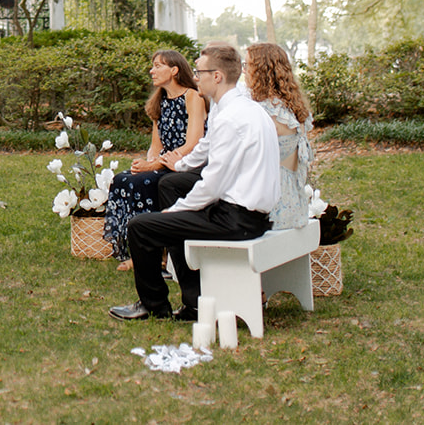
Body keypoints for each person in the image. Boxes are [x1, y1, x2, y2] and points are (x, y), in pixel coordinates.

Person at [109, 42, 279, 321]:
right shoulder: (238, 108)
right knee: (171, 184)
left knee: (141, 227)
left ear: (217, 77)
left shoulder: (231, 118)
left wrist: (173, 212)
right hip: (247, 213)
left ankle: (153, 306)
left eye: (199, 72)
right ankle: (193, 301)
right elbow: (203, 149)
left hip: (237, 219)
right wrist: (178, 163)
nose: (195, 77)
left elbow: (212, 186)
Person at [103, 50, 206, 268]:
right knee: (123, 179)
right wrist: (146, 163)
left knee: (143, 181)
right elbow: (156, 146)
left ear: (174, 70)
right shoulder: (159, 102)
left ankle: (157, 250)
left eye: (158, 66)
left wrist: (155, 166)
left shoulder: (192, 97)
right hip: (163, 162)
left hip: (184, 163)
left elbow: (193, 143)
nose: (152, 70)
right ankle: (137, 249)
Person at [244, 42, 315, 230]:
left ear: (260, 71)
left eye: (247, 66)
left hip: (270, 207)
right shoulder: (293, 108)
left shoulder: (265, 111)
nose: (243, 72)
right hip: (295, 204)